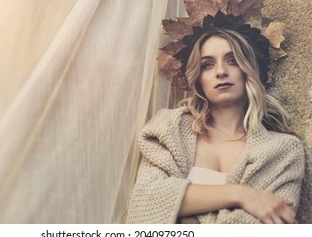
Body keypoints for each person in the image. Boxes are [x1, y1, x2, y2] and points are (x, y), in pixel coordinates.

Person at [126, 12, 312, 224]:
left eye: (232, 61)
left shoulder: (283, 150)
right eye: (208, 64)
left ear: (248, 70)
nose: (221, 72)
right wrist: (241, 195)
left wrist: (183, 212)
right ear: (198, 79)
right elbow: (146, 201)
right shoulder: (170, 129)